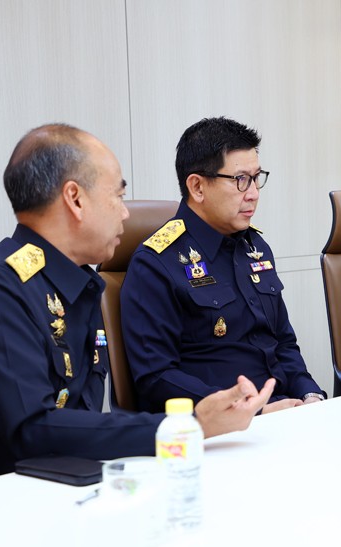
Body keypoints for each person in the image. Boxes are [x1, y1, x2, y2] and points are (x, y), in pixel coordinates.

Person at [0, 124, 273, 496]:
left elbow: (79, 420)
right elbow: (33, 429)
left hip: (54, 483)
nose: (125, 213)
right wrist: (186, 426)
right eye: (117, 195)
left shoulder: (81, 285)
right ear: (75, 199)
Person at [121, 117, 325, 413]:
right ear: (197, 187)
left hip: (282, 411)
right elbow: (157, 378)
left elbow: (283, 342)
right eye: (241, 180)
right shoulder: (155, 264)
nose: (253, 193)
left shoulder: (255, 247)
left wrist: (310, 395)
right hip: (219, 426)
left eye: (256, 178)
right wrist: (249, 410)